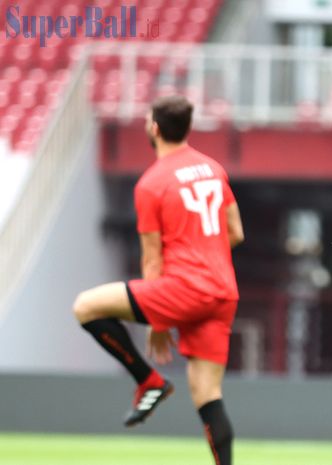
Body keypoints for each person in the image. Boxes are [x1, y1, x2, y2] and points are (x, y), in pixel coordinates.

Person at [73, 95, 244, 465]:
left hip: (184, 288)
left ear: (154, 128)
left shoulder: (151, 183)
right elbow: (235, 232)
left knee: (86, 307)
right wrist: (206, 251)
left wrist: (159, 320)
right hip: (223, 291)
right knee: (208, 393)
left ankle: (147, 380)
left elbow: (151, 259)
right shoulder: (213, 169)